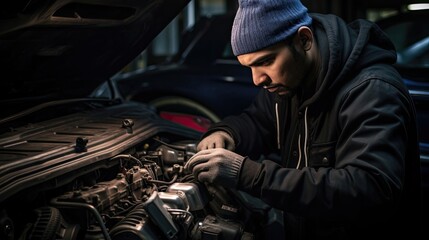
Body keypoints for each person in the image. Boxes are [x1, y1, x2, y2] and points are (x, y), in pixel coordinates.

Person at [184, 0, 422, 239]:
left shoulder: (372, 90)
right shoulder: (290, 83)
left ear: (304, 40)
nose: (258, 79)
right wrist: (226, 133)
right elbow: (258, 122)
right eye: (249, 67)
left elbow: (368, 189)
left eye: (265, 62)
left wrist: (249, 175)